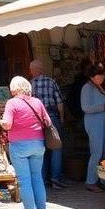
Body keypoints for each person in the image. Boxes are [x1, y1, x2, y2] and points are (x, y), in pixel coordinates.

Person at [0, 76, 49, 209]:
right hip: (38, 144)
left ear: (15, 88)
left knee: (24, 180)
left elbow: (8, 124)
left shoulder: (12, 103)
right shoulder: (37, 102)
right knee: (37, 178)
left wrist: (2, 122)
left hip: (19, 145)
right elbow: (47, 121)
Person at [30, 59, 67, 189]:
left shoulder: (30, 85)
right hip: (51, 117)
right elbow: (59, 102)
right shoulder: (51, 82)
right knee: (56, 146)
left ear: (35, 70)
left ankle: (43, 179)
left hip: (36, 120)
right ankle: (55, 179)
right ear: (42, 69)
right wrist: (61, 118)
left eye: (31, 69)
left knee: (41, 149)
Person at [81, 62, 105, 192]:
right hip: (95, 124)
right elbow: (85, 107)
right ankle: (91, 181)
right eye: (99, 75)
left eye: (103, 75)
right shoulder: (87, 88)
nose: (102, 78)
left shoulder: (99, 88)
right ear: (92, 76)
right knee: (96, 152)